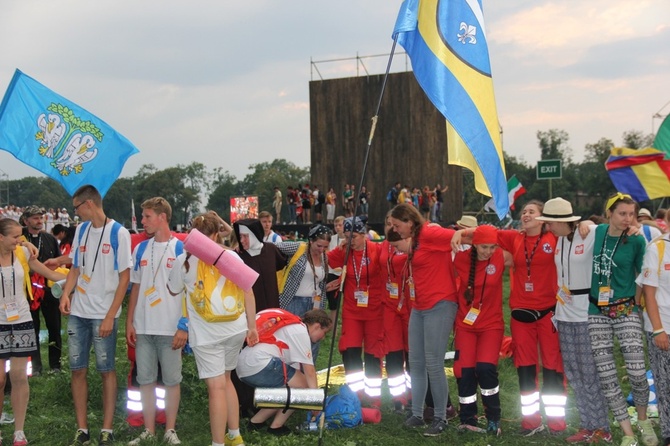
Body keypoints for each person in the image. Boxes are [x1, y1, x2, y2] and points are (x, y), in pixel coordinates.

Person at [454, 200, 567, 436]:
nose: (526, 214)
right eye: (524, 211)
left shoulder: (554, 238)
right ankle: (531, 422)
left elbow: (577, 229)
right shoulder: (513, 237)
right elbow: (483, 233)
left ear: (543, 217)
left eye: (531, 212)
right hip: (520, 314)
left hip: (548, 312)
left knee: (552, 368)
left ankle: (557, 424)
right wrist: (461, 233)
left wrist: (586, 224)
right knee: (525, 369)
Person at [167, 212, 258, 446]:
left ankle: (217, 443)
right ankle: (235, 435)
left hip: (207, 334)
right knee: (227, 380)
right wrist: (252, 327)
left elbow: (173, 290)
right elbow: (248, 290)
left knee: (216, 388)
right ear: (217, 233)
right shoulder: (232, 257)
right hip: (236, 329)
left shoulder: (184, 260)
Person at [59, 185, 133, 446]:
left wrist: (110, 316)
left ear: (88, 204)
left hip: (103, 314)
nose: (75, 213)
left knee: (106, 370)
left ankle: (107, 428)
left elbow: (125, 278)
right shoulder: (81, 230)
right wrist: (66, 294)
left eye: (76, 208)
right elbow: (75, 268)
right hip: (78, 312)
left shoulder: (119, 233)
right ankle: (82, 428)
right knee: (77, 370)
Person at [535, 198, 612, 443]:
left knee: (590, 373)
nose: (547, 226)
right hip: (564, 315)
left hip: (586, 314)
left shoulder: (587, 233)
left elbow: (612, 227)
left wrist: (588, 222)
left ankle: (603, 427)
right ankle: (587, 425)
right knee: (575, 373)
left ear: (562, 221)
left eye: (549, 222)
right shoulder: (557, 241)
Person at [588, 193, 658, 446]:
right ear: (609, 213)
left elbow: (643, 275)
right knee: (607, 375)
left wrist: (635, 305)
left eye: (632, 214)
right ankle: (627, 433)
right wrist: (585, 225)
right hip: (597, 312)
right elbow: (579, 229)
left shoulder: (637, 241)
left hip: (627, 310)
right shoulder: (596, 233)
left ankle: (643, 420)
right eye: (622, 213)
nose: (628, 219)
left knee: (638, 372)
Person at [389, 203, 457, 437]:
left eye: (397, 226)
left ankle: (441, 416)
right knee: (415, 363)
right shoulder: (414, 243)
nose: (395, 230)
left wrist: (462, 233)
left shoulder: (429, 233)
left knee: (433, 363)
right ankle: (417, 413)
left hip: (440, 304)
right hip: (420, 307)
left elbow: (460, 235)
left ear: (409, 221)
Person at [0, 218, 66, 446]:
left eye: (22, 236)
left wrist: (75, 280)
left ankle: (19, 431)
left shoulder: (22, 253)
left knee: (19, 376)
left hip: (21, 319)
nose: (20, 240)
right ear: (1, 237)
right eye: (15, 237)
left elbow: (48, 273)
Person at [126, 198, 185, 445]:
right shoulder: (140, 248)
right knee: (145, 380)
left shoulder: (180, 248)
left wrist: (184, 325)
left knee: (171, 381)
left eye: (147, 216)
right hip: (144, 327)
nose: (143, 221)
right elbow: (136, 288)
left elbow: (190, 291)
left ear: (162, 217)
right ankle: (148, 430)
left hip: (170, 328)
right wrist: (130, 322)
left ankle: (170, 430)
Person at [237, 309, 331, 436]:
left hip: (245, 366)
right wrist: (314, 400)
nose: (323, 337)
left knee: (289, 391)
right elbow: (309, 371)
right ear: (317, 326)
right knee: (303, 388)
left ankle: (256, 422)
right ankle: (276, 426)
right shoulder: (300, 331)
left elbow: (297, 372)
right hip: (259, 363)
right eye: (324, 333)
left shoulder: (292, 327)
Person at [452, 225, 508, 436]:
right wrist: (459, 234)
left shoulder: (501, 256)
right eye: (484, 247)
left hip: (491, 325)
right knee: (464, 371)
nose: (489, 252)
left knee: (485, 369)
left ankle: (493, 418)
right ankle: (467, 418)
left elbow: (510, 236)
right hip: (465, 325)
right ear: (475, 245)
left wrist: (466, 232)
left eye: (493, 247)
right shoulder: (460, 258)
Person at [327, 217, 385, 410]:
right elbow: (325, 258)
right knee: (350, 350)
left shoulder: (376, 250)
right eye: (347, 236)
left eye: (355, 236)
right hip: (352, 311)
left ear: (364, 235)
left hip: (374, 311)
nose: (351, 240)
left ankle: (373, 397)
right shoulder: (343, 252)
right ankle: (355, 394)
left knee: (372, 353)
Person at [231, 218, 287, 418]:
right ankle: (245, 402)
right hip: (250, 318)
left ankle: (267, 402)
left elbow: (285, 261)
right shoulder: (238, 257)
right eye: (240, 236)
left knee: (270, 357)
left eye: (246, 235)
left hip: (272, 317)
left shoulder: (271, 250)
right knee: (246, 358)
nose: (242, 240)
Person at [637, 209, 670, 446]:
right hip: (662, 327)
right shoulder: (657, 247)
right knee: (665, 384)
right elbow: (649, 292)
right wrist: (658, 330)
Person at [278, 224, 333, 361]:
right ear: (311, 241)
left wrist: (326, 289)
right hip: (294, 302)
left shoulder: (324, 257)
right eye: (319, 246)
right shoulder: (298, 248)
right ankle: (290, 375)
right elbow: (272, 247)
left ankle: (308, 373)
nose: (322, 250)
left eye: (325, 247)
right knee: (292, 339)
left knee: (313, 340)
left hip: (315, 303)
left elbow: (319, 281)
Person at [21, 205, 62, 375]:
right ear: (26, 220)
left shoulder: (49, 238)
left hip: (49, 289)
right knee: (32, 329)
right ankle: (35, 367)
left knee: (54, 327)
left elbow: (58, 262)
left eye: (41, 217)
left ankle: (56, 365)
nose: (39, 221)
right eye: (35, 218)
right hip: (28, 291)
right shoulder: (20, 238)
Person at [379, 226, 412, 414]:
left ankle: (414, 398)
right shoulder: (383, 246)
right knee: (393, 354)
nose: (393, 226)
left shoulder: (414, 245)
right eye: (389, 222)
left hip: (410, 306)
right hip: (390, 308)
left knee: (412, 355)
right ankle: (398, 399)